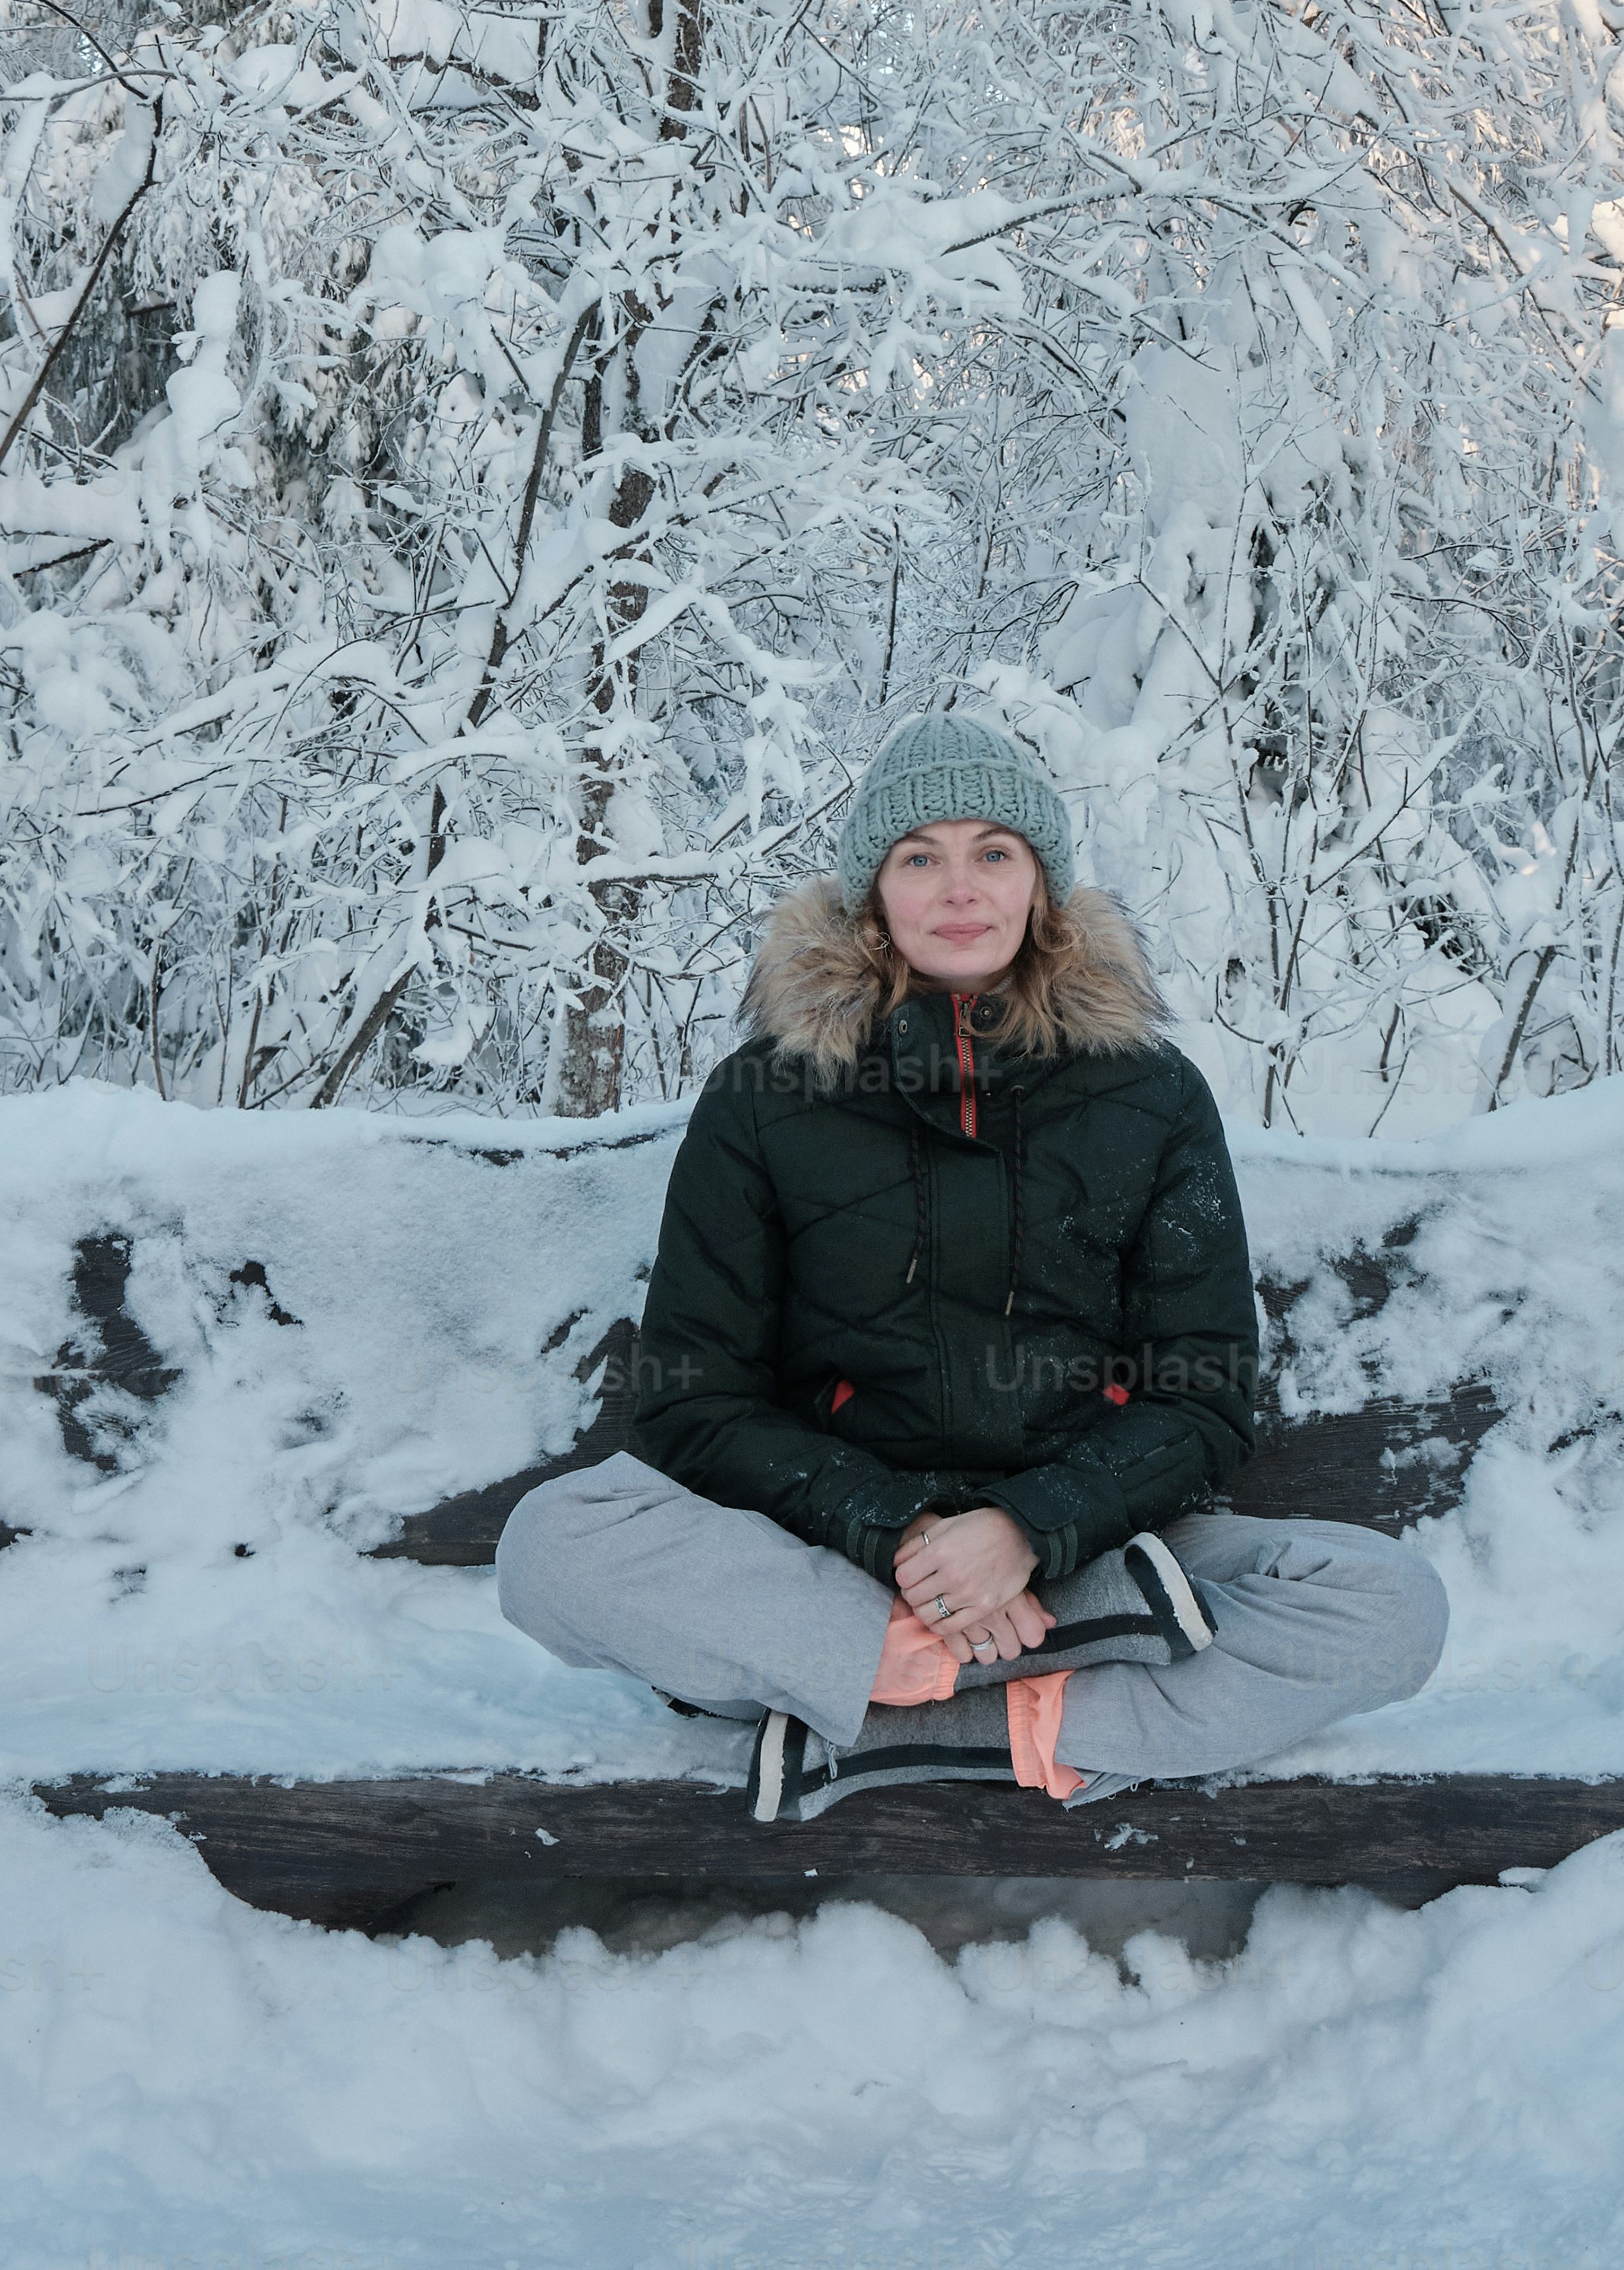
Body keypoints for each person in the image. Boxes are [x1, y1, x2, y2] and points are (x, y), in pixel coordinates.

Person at [497, 711, 1448, 1826]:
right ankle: (1009, 1683)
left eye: (994, 851)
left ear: (1041, 883)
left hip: (1090, 1547)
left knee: (1393, 1607)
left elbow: (1203, 1391)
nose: (960, 888)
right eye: (920, 856)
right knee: (550, 1548)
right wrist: (899, 1536)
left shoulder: (1150, 1092)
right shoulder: (766, 1096)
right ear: (873, 890)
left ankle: (881, 1706)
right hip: (831, 1560)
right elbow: (692, 1401)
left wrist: (1029, 1531)